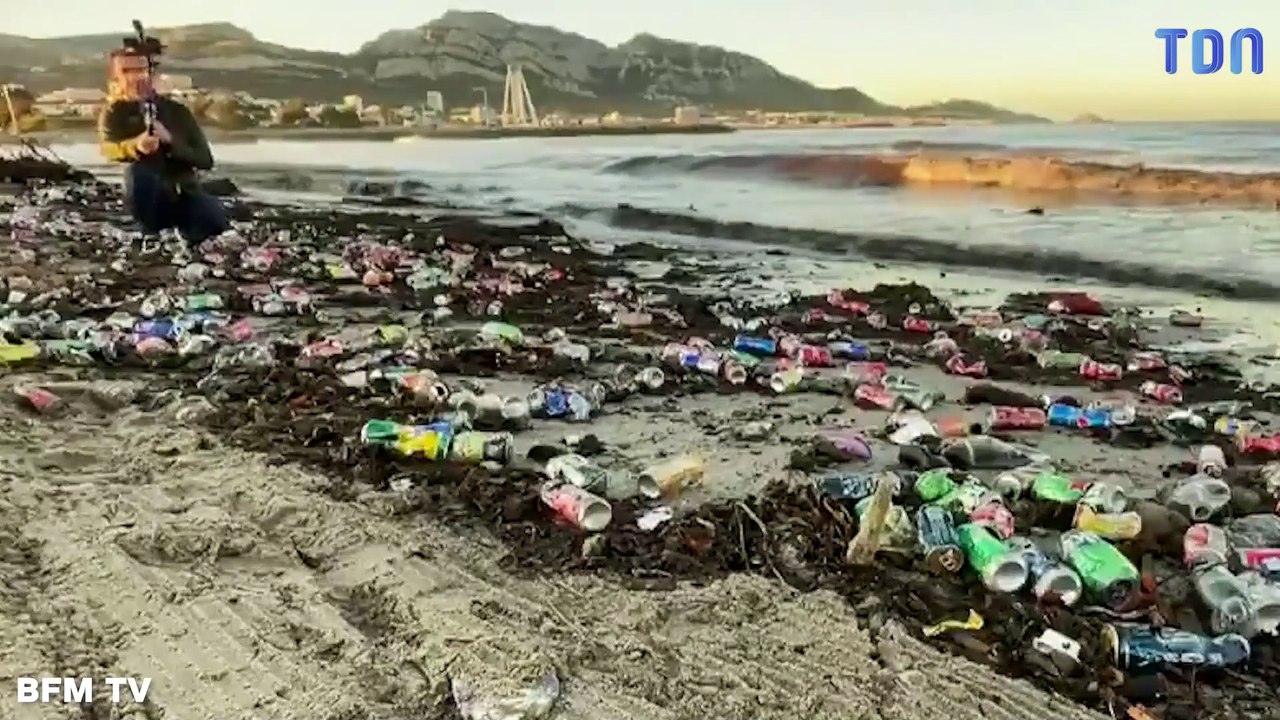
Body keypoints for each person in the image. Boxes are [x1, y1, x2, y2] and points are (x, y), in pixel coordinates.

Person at [98, 48, 229, 244]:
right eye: (127, 71)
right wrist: (137, 146)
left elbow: (205, 160)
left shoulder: (178, 111)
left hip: (185, 190)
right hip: (149, 193)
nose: (136, 77)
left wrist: (170, 140)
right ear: (116, 77)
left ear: (151, 72)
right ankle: (149, 230)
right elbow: (108, 149)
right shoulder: (113, 113)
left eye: (141, 69)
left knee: (210, 226)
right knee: (136, 172)